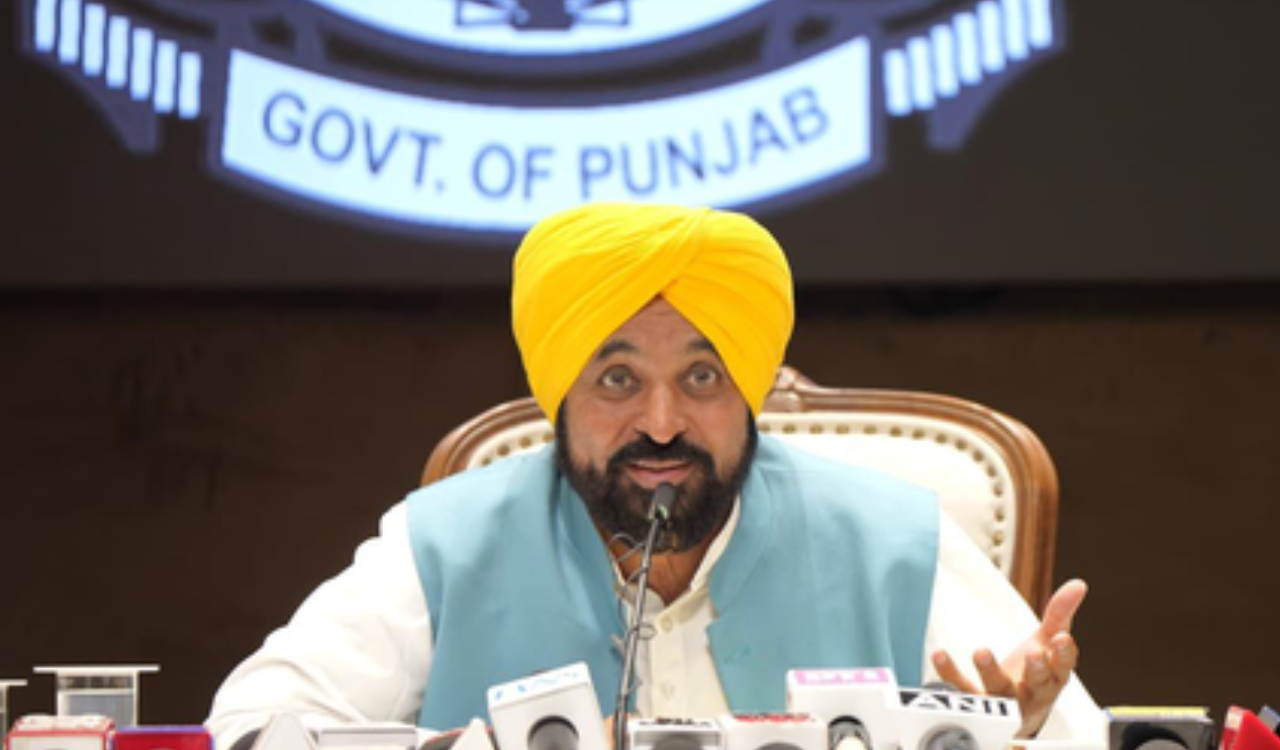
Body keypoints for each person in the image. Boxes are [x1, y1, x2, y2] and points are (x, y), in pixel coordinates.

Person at [206, 203, 1100, 747]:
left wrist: (1007, 734)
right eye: (617, 380)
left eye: (702, 377)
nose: (663, 422)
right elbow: (247, 731)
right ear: (559, 395)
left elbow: (1077, 741)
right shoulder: (445, 543)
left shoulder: (894, 540)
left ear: (749, 391)